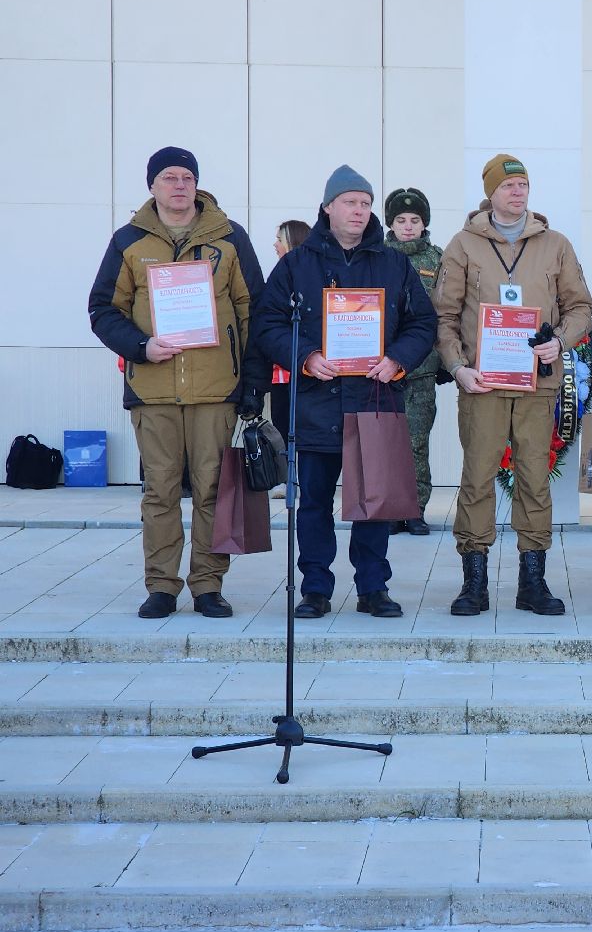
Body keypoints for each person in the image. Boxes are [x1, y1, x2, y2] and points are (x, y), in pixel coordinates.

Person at [250, 165, 438, 619]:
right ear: (328, 207)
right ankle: (315, 588)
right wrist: (305, 356)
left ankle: (373, 588)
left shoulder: (394, 264)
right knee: (313, 502)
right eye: (350, 202)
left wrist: (397, 359)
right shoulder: (297, 264)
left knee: (373, 503)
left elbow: (423, 323)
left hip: (374, 400)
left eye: (365, 203)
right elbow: (267, 323)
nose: (359, 211)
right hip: (315, 403)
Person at [88, 147, 263, 619]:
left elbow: (253, 311)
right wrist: (141, 346)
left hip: (215, 389)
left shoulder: (229, 238)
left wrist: (252, 382)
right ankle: (162, 586)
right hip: (153, 389)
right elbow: (103, 309)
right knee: (160, 491)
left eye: (188, 177)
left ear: (197, 184)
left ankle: (208, 584)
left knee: (212, 490)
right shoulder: (129, 241)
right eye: (169, 177)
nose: (180, 185)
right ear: (152, 186)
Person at [434, 155, 592, 616]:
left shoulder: (555, 245)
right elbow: (444, 316)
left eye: (523, 184)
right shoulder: (464, 245)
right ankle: (474, 582)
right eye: (508, 186)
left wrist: (559, 343)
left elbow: (581, 308)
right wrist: (458, 367)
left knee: (534, 479)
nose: (518, 192)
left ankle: (533, 582)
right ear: (491, 193)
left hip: (536, 384)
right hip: (481, 383)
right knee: (478, 478)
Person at [383, 187, 443, 537]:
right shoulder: (376, 256)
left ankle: (416, 508)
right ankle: (390, 508)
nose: (408, 226)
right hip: (381, 369)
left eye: (415, 220)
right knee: (387, 442)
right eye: (401, 220)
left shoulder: (437, 260)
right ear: (391, 223)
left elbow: (446, 311)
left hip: (421, 369)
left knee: (417, 442)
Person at [266, 220, 311, 488]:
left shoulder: (307, 275)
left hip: (305, 366)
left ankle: (304, 478)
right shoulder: (278, 275)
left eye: (280, 239)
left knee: (304, 425)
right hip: (279, 367)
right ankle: (287, 479)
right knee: (281, 422)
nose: (275, 244)